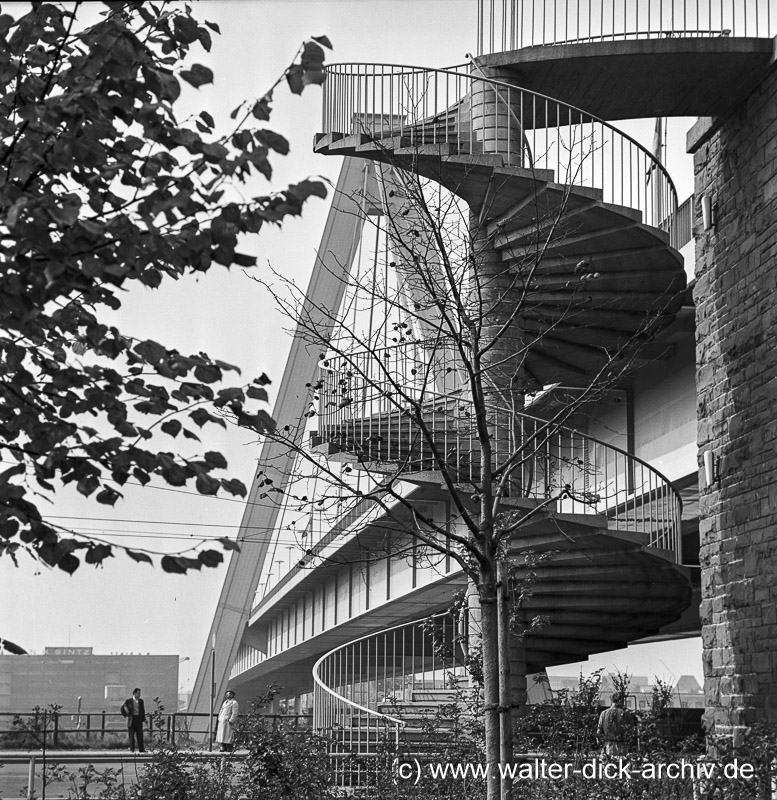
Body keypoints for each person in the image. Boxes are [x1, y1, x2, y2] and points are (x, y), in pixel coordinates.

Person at [597, 692, 631, 756]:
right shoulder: (625, 714)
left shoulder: (603, 713)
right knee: (620, 764)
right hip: (621, 746)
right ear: (620, 701)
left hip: (607, 745)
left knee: (608, 764)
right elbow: (629, 731)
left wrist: (600, 744)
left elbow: (598, 732)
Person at [121, 687, 146, 753]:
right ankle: (132, 749)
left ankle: (141, 749)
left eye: (140, 693)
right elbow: (122, 708)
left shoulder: (141, 701)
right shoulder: (128, 701)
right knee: (131, 735)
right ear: (134, 693)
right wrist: (126, 715)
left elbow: (142, 711)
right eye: (138, 693)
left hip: (138, 719)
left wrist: (144, 719)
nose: (139, 695)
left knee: (140, 735)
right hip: (131, 720)